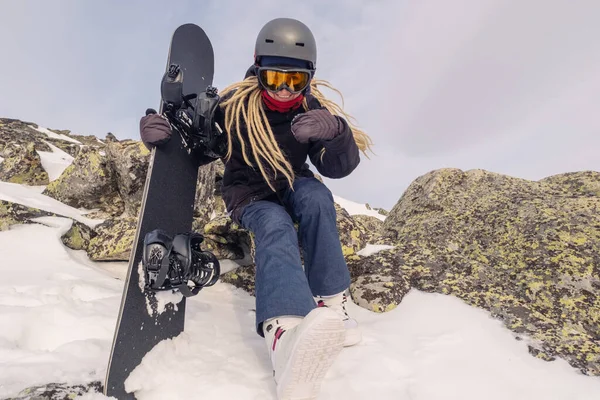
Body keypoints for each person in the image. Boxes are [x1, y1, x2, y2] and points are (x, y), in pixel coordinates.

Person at [140, 17, 374, 400]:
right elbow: (198, 146)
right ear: (258, 70)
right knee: (276, 225)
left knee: (316, 198)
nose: (284, 90)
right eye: (274, 78)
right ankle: (286, 334)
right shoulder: (234, 107)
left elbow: (337, 168)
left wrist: (336, 132)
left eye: (294, 81)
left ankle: (333, 301)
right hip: (249, 193)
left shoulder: (310, 111)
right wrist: (158, 133)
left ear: (309, 79)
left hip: (292, 181)